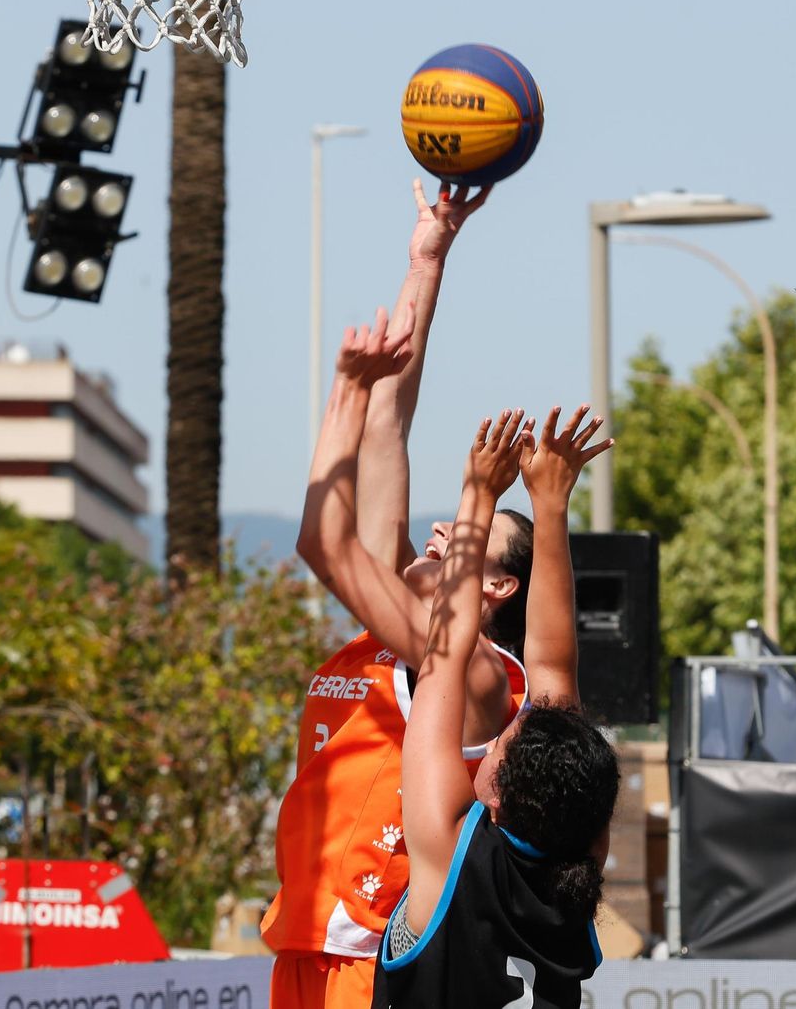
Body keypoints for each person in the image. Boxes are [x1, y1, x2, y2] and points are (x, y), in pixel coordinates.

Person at [264, 188, 591, 1007]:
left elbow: (328, 534)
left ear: (497, 587)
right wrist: (427, 260)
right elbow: (386, 424)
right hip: (305, 935)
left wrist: (494, 502)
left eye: (465, 540)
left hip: (371, 947)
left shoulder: (466, 666)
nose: (439, 533)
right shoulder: (402, 627)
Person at [373, 406, 618, 1009]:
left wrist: (480, 498)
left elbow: (445, 656)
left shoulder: (454, 864)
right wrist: (547, 505)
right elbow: (553, 672)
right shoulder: (571, 878)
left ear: (497, 793)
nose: (507, 729)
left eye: (506, 742)